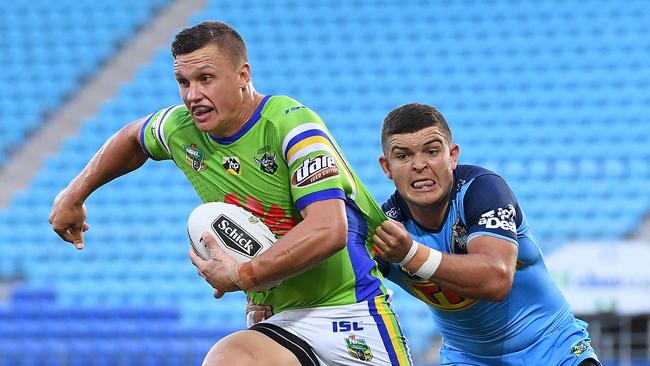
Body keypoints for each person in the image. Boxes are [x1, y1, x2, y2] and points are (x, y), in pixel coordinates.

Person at [49, 21, 412, 366]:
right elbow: (133, 138)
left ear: (243, 76)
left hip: (349, 309)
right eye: (183, 81)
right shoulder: (182, 128)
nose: (193, 95)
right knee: (227, 359)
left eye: (205, 79)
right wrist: (73, 195)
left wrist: (244, 276)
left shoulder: (291, 125)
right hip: (279, 320)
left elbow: (328, 230)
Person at [248, 103, 601, 365]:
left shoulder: (482, 190)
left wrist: (410, 254)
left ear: (452, 156)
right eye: (403, 155)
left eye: (432, 151)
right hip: (468, 358)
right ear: (386, 168)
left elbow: (496, 280)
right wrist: (269, 293)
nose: (420, 165)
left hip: (553, 349)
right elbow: (336, 280)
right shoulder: (384, 227)